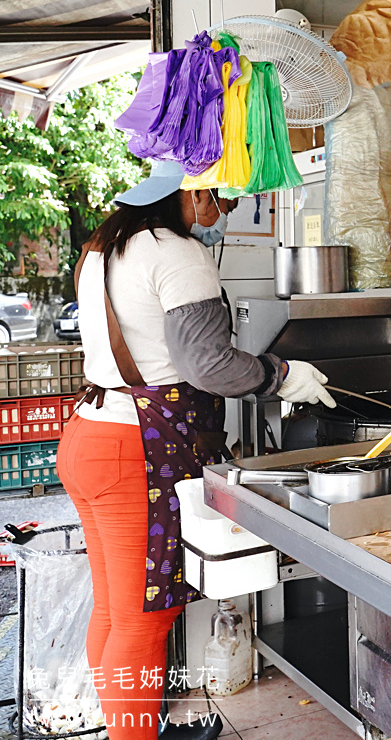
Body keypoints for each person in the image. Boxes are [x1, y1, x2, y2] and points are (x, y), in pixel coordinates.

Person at [58, 160, 335, 740]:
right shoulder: (176, 252)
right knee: (145, 619)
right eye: (222, 199)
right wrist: (281, 376)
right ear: (192, 193)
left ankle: (130, 730)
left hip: (90, 437)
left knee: (114, 610)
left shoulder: (104, 245)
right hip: (136, 450)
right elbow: (207, 364)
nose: (224, 213)